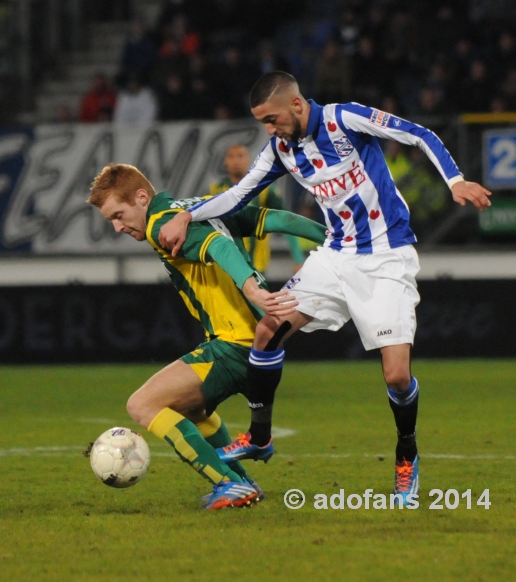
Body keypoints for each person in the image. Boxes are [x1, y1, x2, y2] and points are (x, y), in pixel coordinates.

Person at [158, 71, 492, 503]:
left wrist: (456, 181)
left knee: (396, 377)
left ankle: (406, 454)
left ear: (296, 105)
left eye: (272, 119)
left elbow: (419, 134)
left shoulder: (345, 119)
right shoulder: (281, 148)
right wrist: (189, 215)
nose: (269, 129)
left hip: (387, 256)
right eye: (262, 122)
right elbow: (238, 194)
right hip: (334, 257)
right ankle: (260, 436)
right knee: (267, 329)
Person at [87, 163, 326, 509]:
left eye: (118, 214)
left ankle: (229, 484)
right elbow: (274, 219)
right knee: (195, 411)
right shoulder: (195, 207)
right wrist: (337, 239)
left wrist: (251, 288)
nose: (117, 226)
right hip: (260, 346)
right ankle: (243, 482)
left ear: (141, 198)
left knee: (142, 405)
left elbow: (217, 246)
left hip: (235, 345)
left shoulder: (161, 226)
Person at [210, 144, 307, 275]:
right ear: (225, 161)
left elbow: (286, 221)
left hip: (256, 266)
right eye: (231, 156)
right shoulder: (215, 190)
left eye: (240, 156)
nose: (236, 161)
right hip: (225, 266)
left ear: (248, 160)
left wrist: (298, 259)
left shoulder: (263, 189)